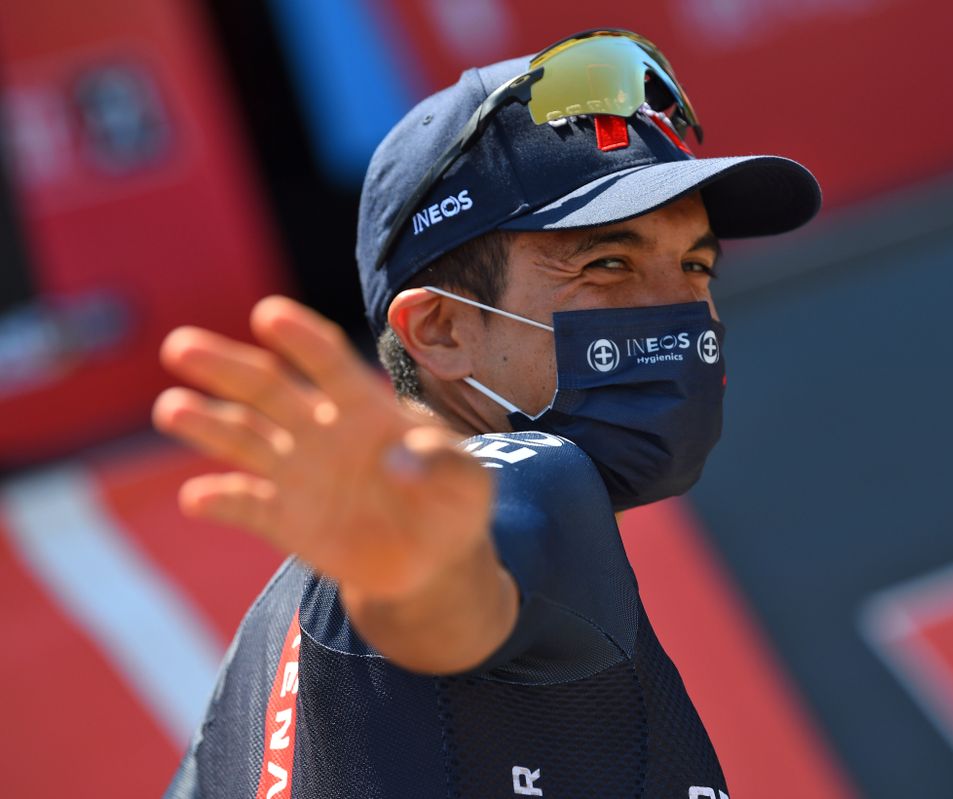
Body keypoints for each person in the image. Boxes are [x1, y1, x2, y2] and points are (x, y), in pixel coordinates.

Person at [156, 29, 819, 798]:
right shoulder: (538, 484)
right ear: (441, 331)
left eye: (697, 265)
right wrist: (424, 575)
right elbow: (466, 569)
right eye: (608, 264)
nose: (681, 311)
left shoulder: (252, 660)